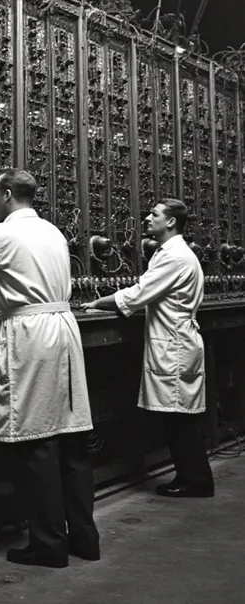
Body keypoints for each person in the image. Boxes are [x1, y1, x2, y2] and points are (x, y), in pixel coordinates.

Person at [0, 169, 100, 568]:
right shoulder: (53, 232)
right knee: (72, 439)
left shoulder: (1, 234)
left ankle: (48, 545)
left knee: (37, 444)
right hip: (65, 330)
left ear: (9, 194)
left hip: (31, 335)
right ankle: (84, 538)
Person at [82, 198, 214, 499]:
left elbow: (139, 293)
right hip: (177, 340)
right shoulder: (175, 252)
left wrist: (97, 303)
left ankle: (195, 481)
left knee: (179, 418)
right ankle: (192, 477)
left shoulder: (175, 256)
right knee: (178, 416)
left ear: (170, 222)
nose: (147, 219)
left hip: (175, 344)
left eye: (154, 215)